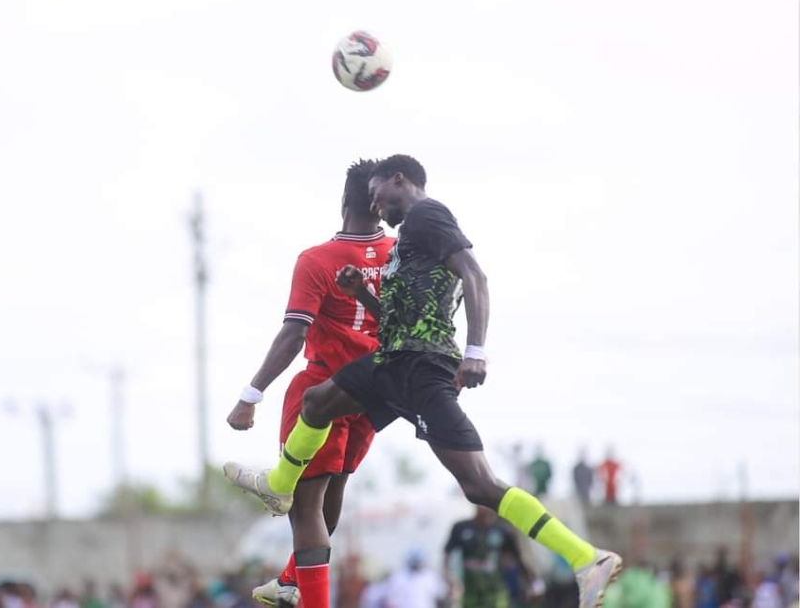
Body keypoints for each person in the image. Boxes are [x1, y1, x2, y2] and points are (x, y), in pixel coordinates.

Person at [225, 155, 622, 608]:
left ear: (399, 181)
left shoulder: (427, 215)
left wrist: (476, 351)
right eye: (370, 201)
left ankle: (585, 557)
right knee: (316, 403)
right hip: (392, 363)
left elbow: (475, 275)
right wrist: (360, 293)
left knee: (479, 485)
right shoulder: (403, 242)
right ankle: (280, 489)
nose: (377, 208)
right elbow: (396, 319)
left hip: (421, 369)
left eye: (379, 196)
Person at [224, 159, 393, 606]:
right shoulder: (398, 253)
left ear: (344, 202)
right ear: (381, 204)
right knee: (332, 493)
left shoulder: (318, 260)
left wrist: (251, 394)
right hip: (375, 389)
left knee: (305, 507)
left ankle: (309, 598)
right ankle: (288, 580)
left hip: (324, 387)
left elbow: (294, 334)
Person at [444, 506, 534, 608]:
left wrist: (532, 582)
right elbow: (447, 553)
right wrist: (448, 578)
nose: (484, 507)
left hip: (496, 591)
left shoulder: (503, 530)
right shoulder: (461, 527)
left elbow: (519, 557)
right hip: (470, 591)